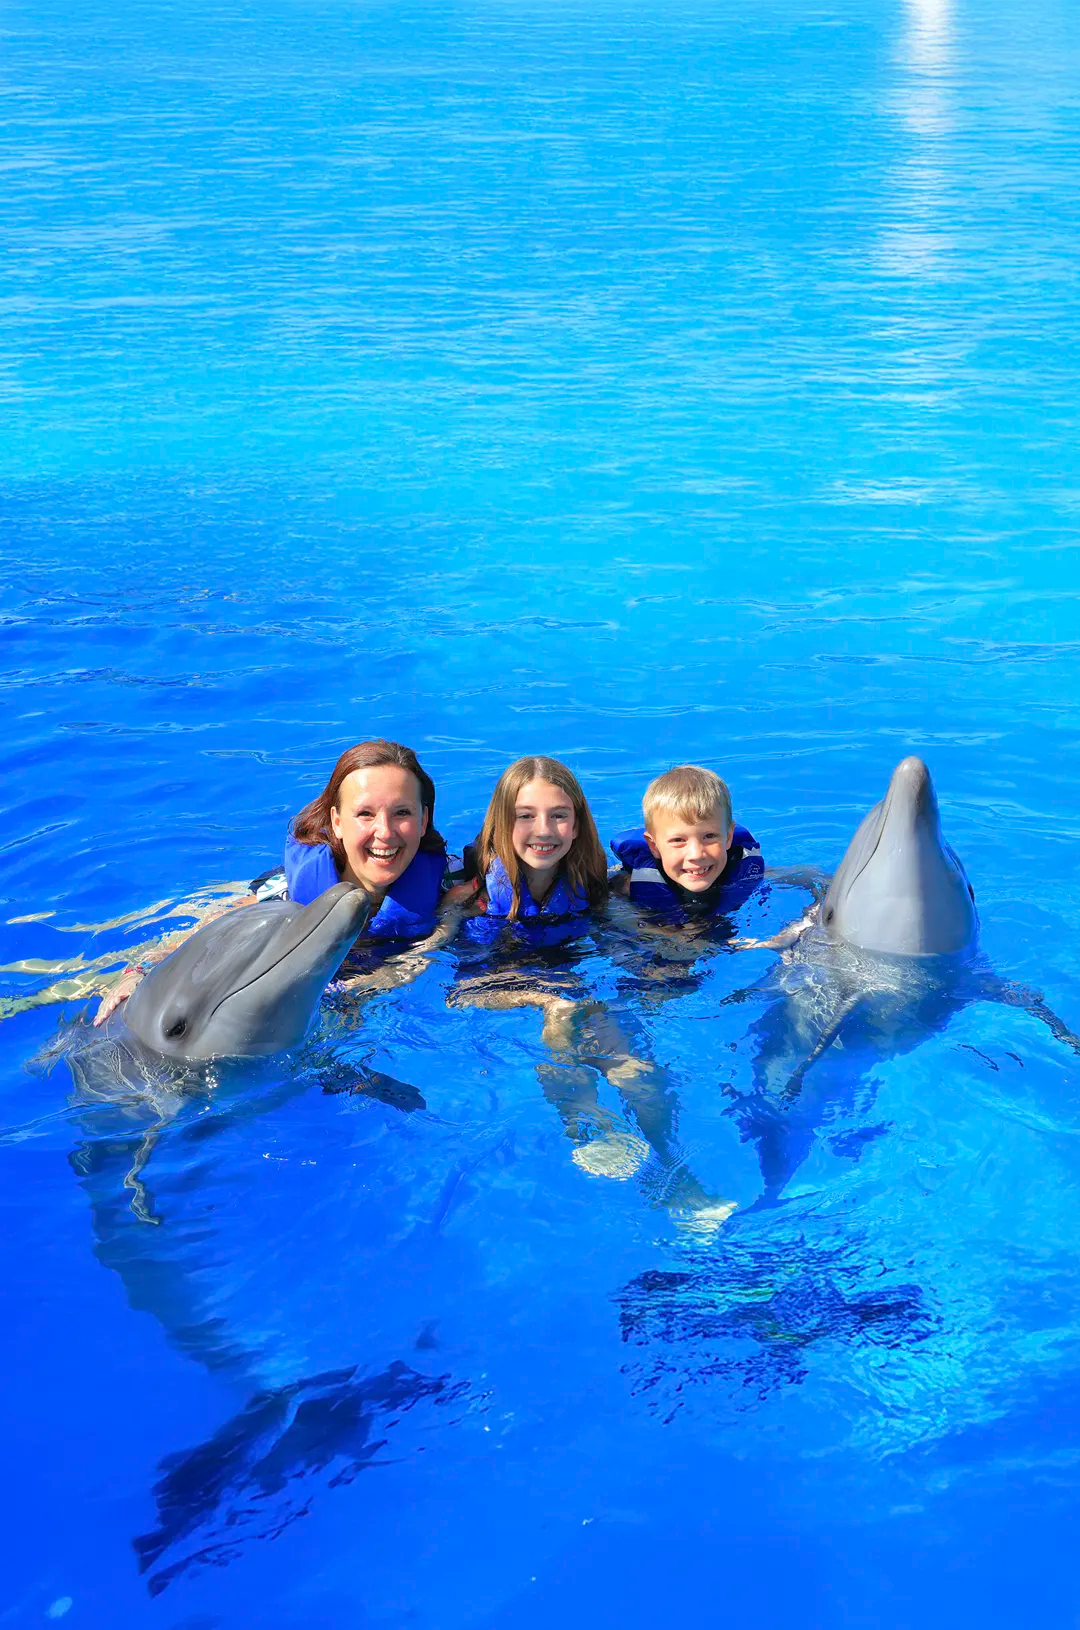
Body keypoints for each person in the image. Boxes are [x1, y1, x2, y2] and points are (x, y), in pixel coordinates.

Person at [94, 739, 475, 1024]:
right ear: (337, 822)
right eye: (364, 814)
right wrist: (135, 974)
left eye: (402, 813)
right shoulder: (287, 896)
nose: (385, 832)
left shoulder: (450, 882)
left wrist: (438, 933)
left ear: (424, 820)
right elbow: (196, 941)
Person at [610, 764, 764, 920]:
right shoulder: (629, 885)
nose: (696, 855)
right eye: (678, 840)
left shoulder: (744, 868)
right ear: (654, 845)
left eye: (709, 836)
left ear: (728, 837)